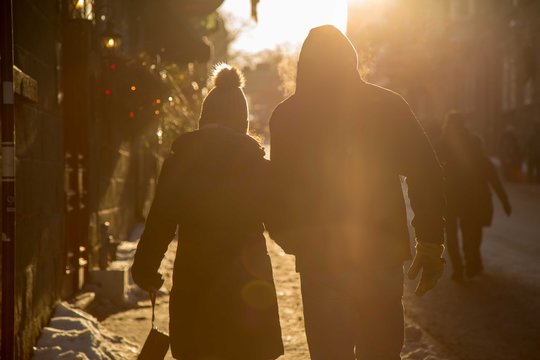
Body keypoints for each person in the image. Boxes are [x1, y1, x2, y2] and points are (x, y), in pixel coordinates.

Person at [267, 25, 446, 360]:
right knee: (380, 352)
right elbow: (427, 172)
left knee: (329, 353)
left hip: (320, 261)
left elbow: (276, 194)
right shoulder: (387, 105)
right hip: (380, 254)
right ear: (351, 60)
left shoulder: (288, 115)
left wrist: (296, 242)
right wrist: (431, 241)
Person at [131, 64, 284, 360]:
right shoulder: (256, 165)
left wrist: (145, 268)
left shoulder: (180, 161)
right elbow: (282, 220)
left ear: (204, 118)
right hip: (248, 286)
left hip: (195, 279)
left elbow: (160, 220)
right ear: (241, 120)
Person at [441, 113, 512, 281]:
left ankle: (458, 270)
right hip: (468, 197)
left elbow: (430, 173)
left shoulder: (441, 145)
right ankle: (471, 263)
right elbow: (490, 173)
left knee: (451, 235)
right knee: (469, 232)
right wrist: (504, 200)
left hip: (449, 197)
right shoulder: (473, 144)